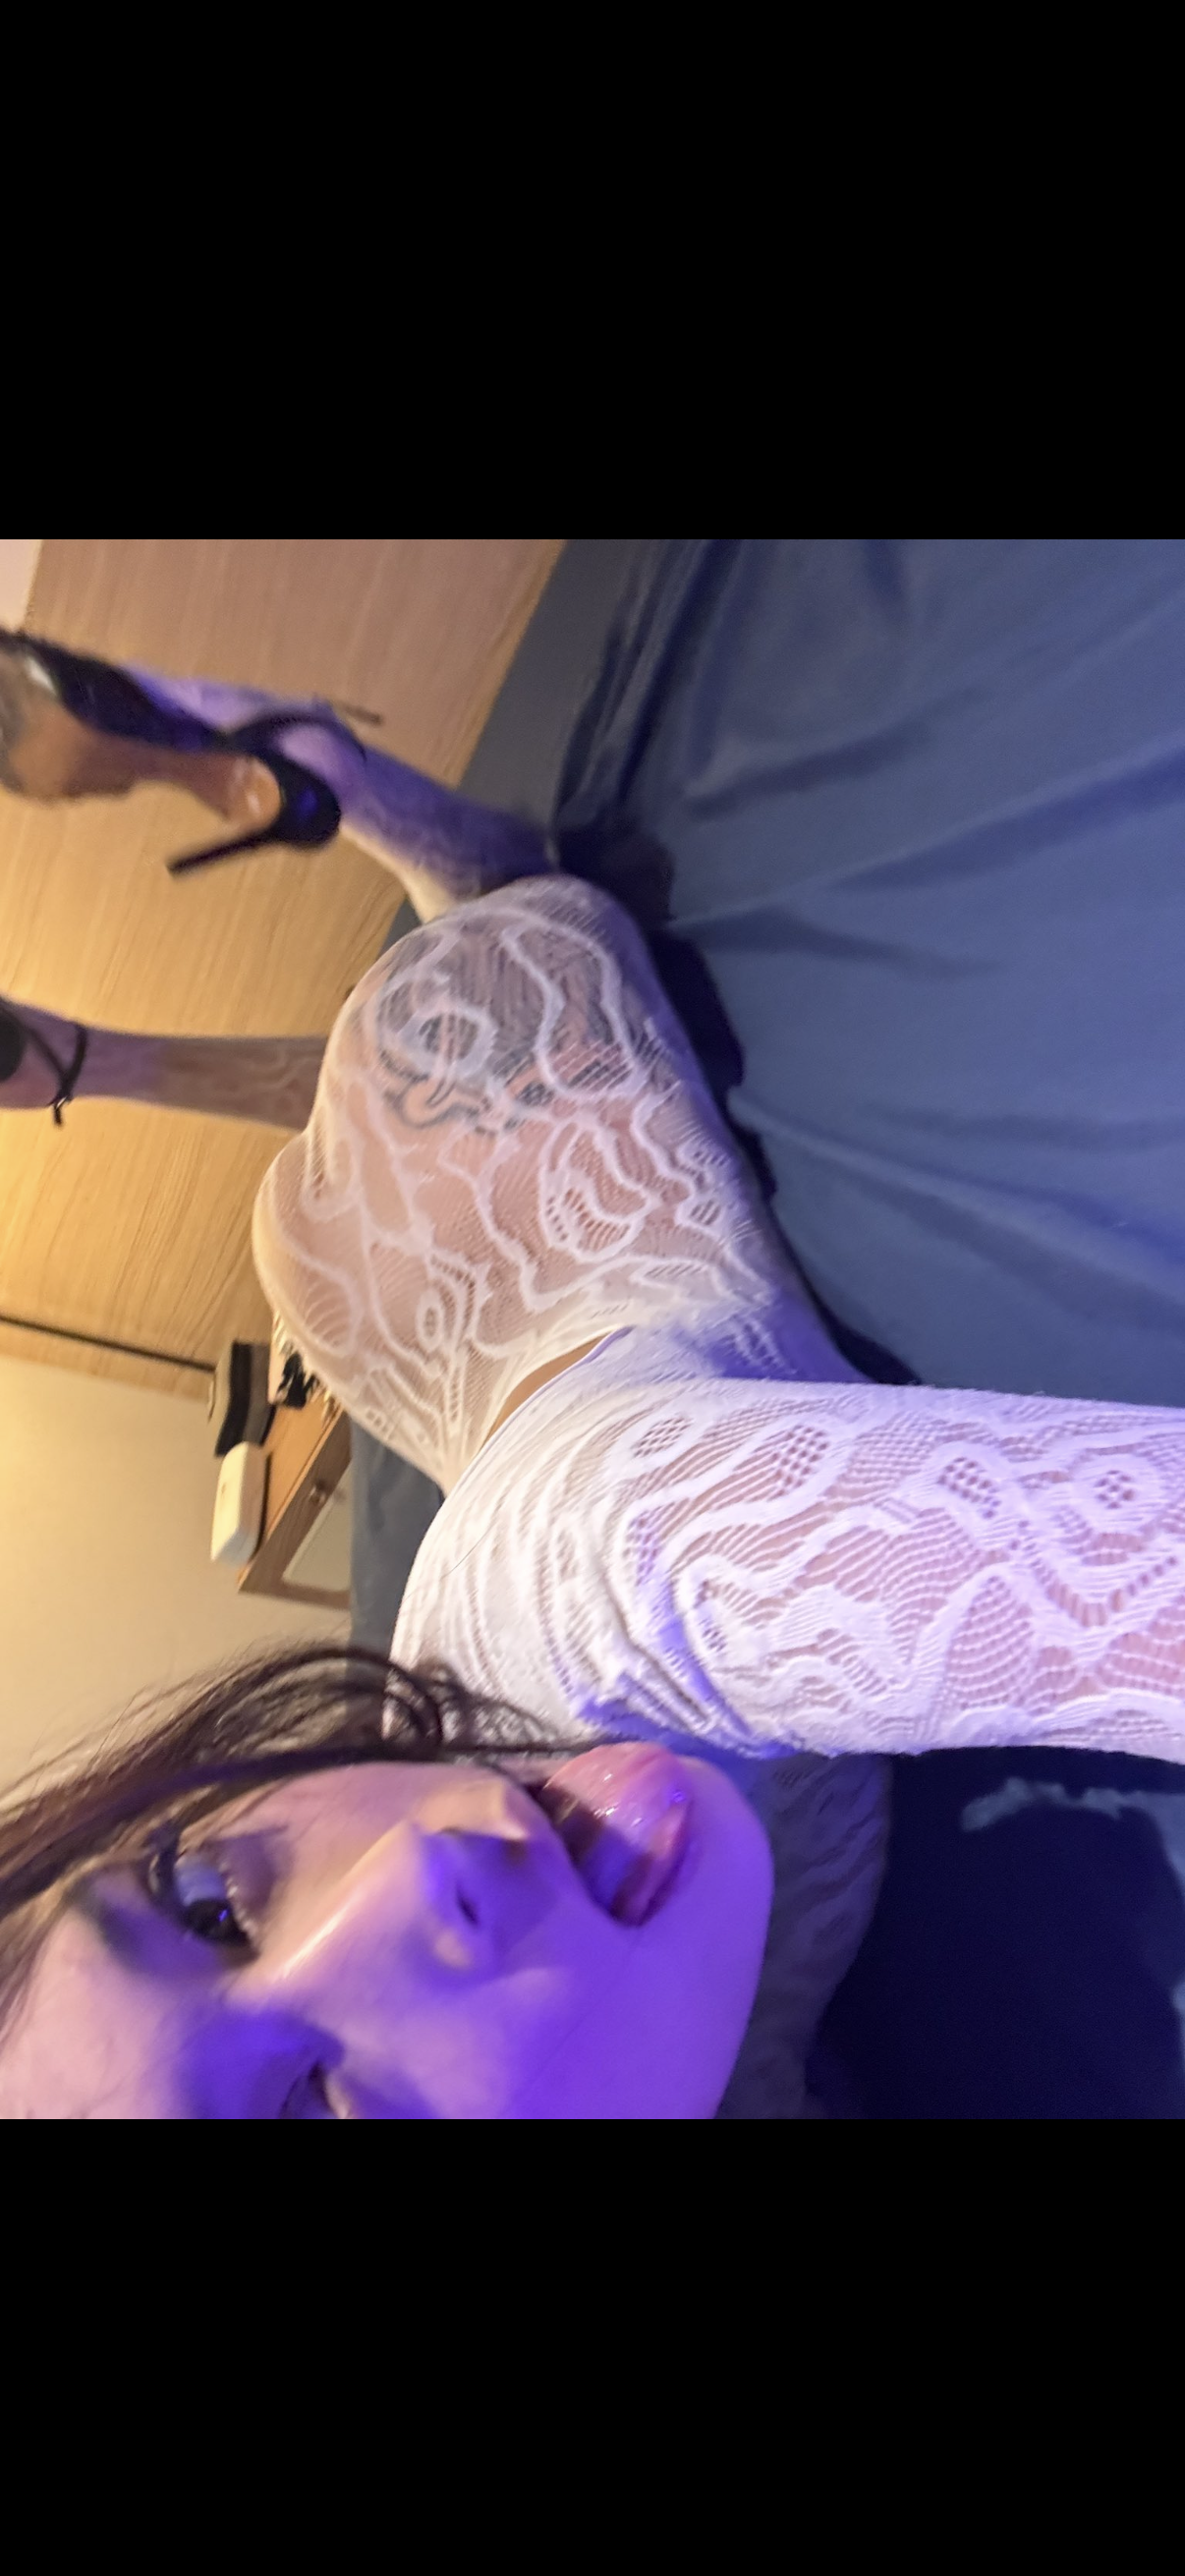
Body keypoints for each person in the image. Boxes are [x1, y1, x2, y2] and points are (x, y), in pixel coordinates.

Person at [2, 626, 1184, 2118]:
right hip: (440, 1361)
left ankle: (318, 795)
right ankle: (95, 1055)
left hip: (543, 1264)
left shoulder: (629, 1578)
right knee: (327, 1178)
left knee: (494, 920)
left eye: (203, 1899)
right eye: (310, 2105)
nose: (402, 1877)